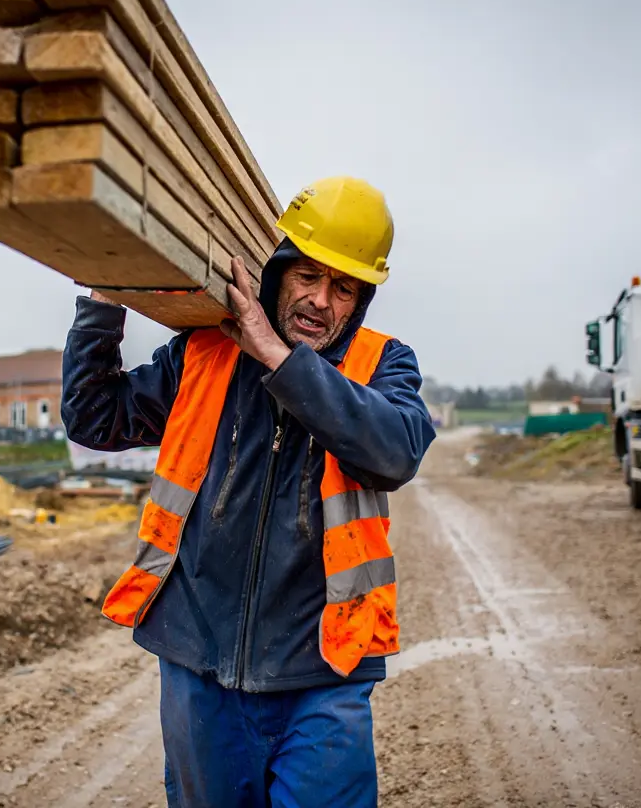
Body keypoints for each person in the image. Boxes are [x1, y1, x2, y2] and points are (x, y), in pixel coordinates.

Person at [61, 176, 436, 807]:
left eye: (342, 288)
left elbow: (395, 451)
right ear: (280, 269)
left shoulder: (384, 365)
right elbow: (94, 416)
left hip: (323, 671)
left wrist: (276, 355)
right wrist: (106, 296)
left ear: (361, 299)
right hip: (198, 661)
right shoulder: (204, 354)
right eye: (308, 277)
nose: (320, 300)